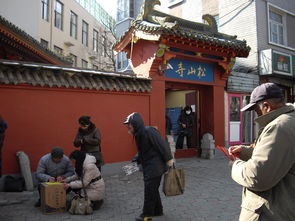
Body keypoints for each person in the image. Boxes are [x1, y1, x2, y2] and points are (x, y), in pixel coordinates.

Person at [228, 83, 295, 221]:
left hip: (272, 211)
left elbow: (256, 177)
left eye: (256, 110)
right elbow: (280, 155)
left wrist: (235, 165)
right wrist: (248, 152)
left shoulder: (278, 127)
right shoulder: (289, 120)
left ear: (266, 106)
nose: (256, 115)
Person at [123, 112, 174, 221]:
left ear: (135, 124)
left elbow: (162, 145)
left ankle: (146, 216)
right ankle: (158, 210)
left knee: (149, 191)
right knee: (153, 189)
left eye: (129, 124)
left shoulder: (148, 131)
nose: (128, 127)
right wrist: (135, 160)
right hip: (149, 166)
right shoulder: (139, 134)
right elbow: (143, 150)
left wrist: (169, 159)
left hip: (155, 167)